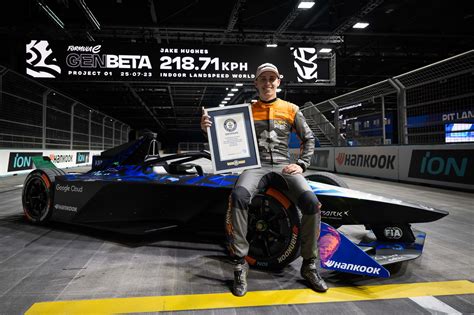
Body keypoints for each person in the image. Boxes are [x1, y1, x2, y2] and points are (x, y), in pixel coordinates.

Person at [201, 63, 327, 297]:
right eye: (263, 79)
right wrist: (209, 129)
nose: (268, 83)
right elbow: (226, 137)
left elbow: (309, 139)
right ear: (256, 83)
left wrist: (301, 164)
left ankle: (309, 265)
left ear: (278, 81)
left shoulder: (290, 108)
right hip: (254, 166)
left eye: (272, 79)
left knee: (311, 203)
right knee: (238, 195)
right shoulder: (245, 110)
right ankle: (240, 263)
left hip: (283, 166)